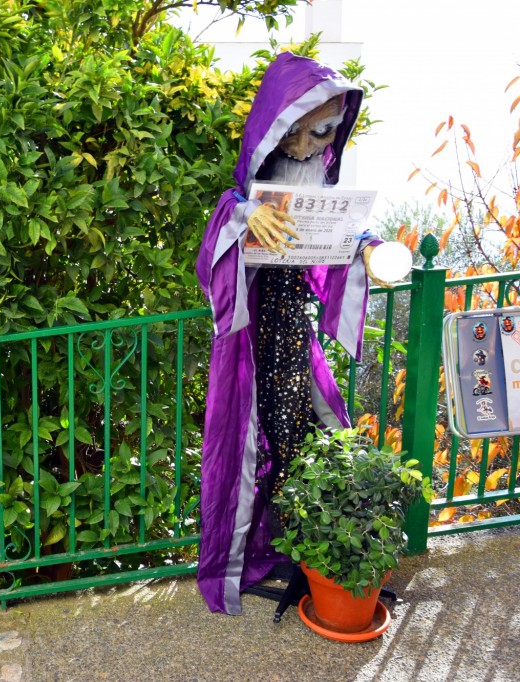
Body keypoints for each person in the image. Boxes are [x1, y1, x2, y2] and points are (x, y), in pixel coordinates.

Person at [194, 53, 389, 615]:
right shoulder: (243, 193)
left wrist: (370, 247)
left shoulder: (318, 177)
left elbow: (338, 229)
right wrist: (246, 214)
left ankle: (300, 551)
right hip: (252, 339)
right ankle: (266, 550)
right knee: (254, 438)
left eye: (321, 132)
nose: (304, 149)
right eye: (292, 135)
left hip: (294, 332)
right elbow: (215, 247)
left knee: (303, 431)